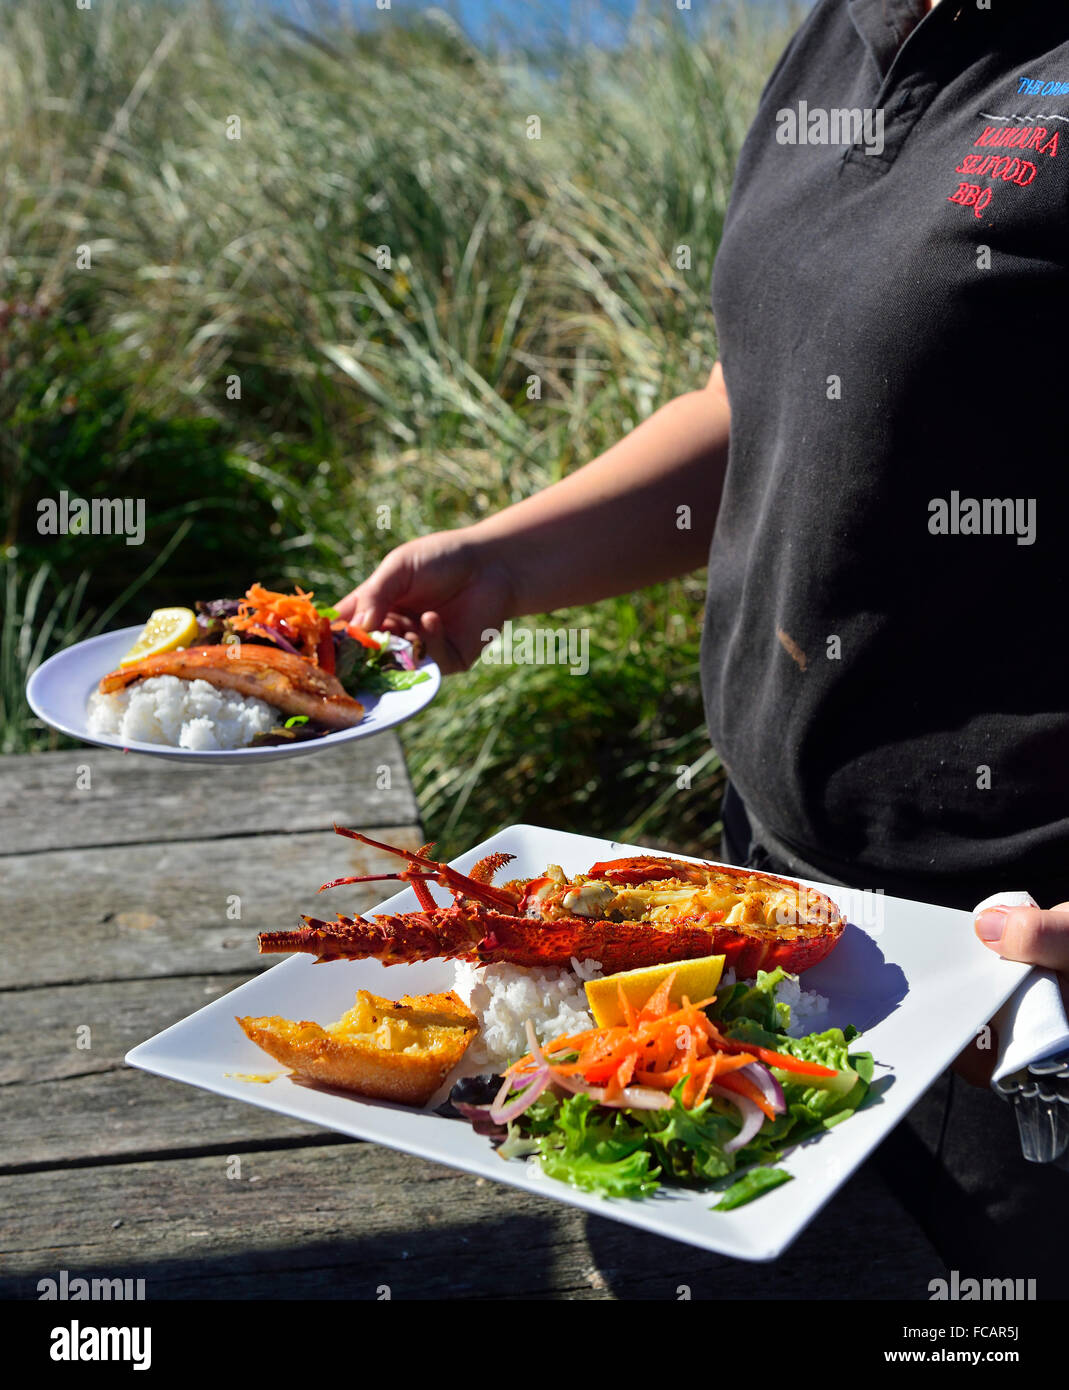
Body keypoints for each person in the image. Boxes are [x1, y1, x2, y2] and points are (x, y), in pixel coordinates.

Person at [339, 0, 1069, 1289]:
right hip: (770, 918)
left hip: (1017, 969)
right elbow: (765, 396)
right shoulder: (839, 37)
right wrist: (507, 561)